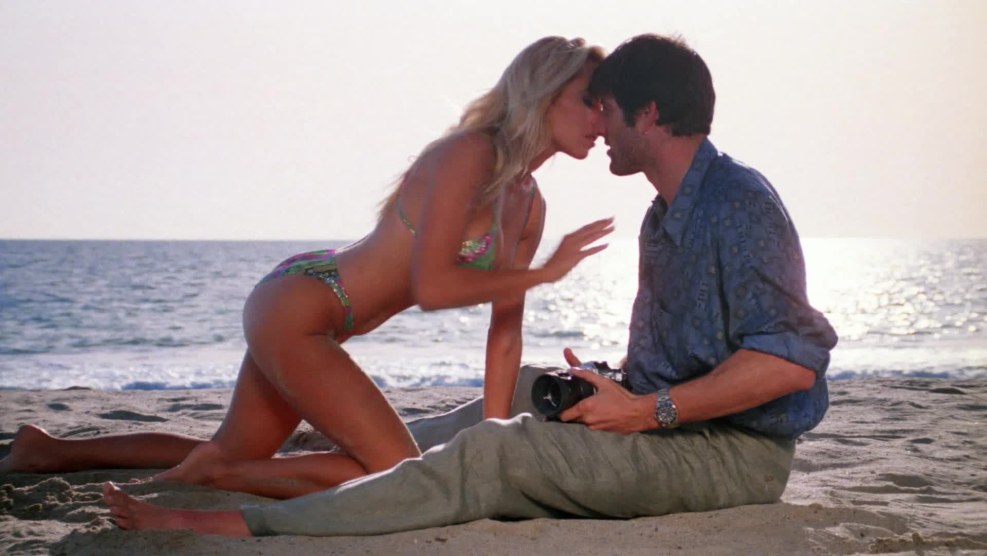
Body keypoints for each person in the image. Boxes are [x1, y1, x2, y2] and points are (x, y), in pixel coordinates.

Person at [99, 33, 838, 536]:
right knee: (511, 400)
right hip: (670, 421)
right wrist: (613, 383)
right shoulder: (661, 215)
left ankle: (239, 521)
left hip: (728, 454)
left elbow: (789, 362)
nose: (599, 125)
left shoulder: (736, 202)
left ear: (647, 114)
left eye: (607, 109)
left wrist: (647, 409)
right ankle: (255, 472)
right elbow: (687, 356)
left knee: (489, 455)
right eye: (589, 105)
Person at [0, 36, 615, 499]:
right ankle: (219, 476)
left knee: (232, 445)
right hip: (301, 305)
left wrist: (494, 436)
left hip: (321, 317)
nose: (601, 118)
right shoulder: (468, 154)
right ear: (544, 92)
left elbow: (504, 333)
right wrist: (545, 272)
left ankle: (48, 451)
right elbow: (433, 286)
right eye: (590, 100)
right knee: (402, 474)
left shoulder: (530, 204)